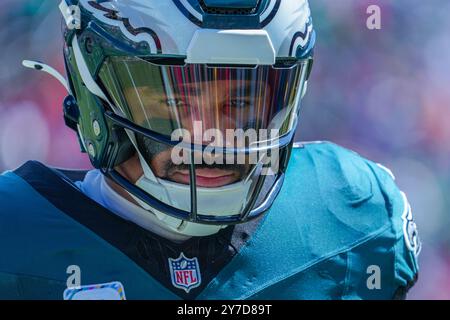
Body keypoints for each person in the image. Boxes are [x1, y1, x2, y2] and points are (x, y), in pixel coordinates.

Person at [0, 0, 420, 300]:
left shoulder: (351, 215)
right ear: (96, 88)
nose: (211, 138)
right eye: (176, 104)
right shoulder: (15, 235)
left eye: (240, 102)